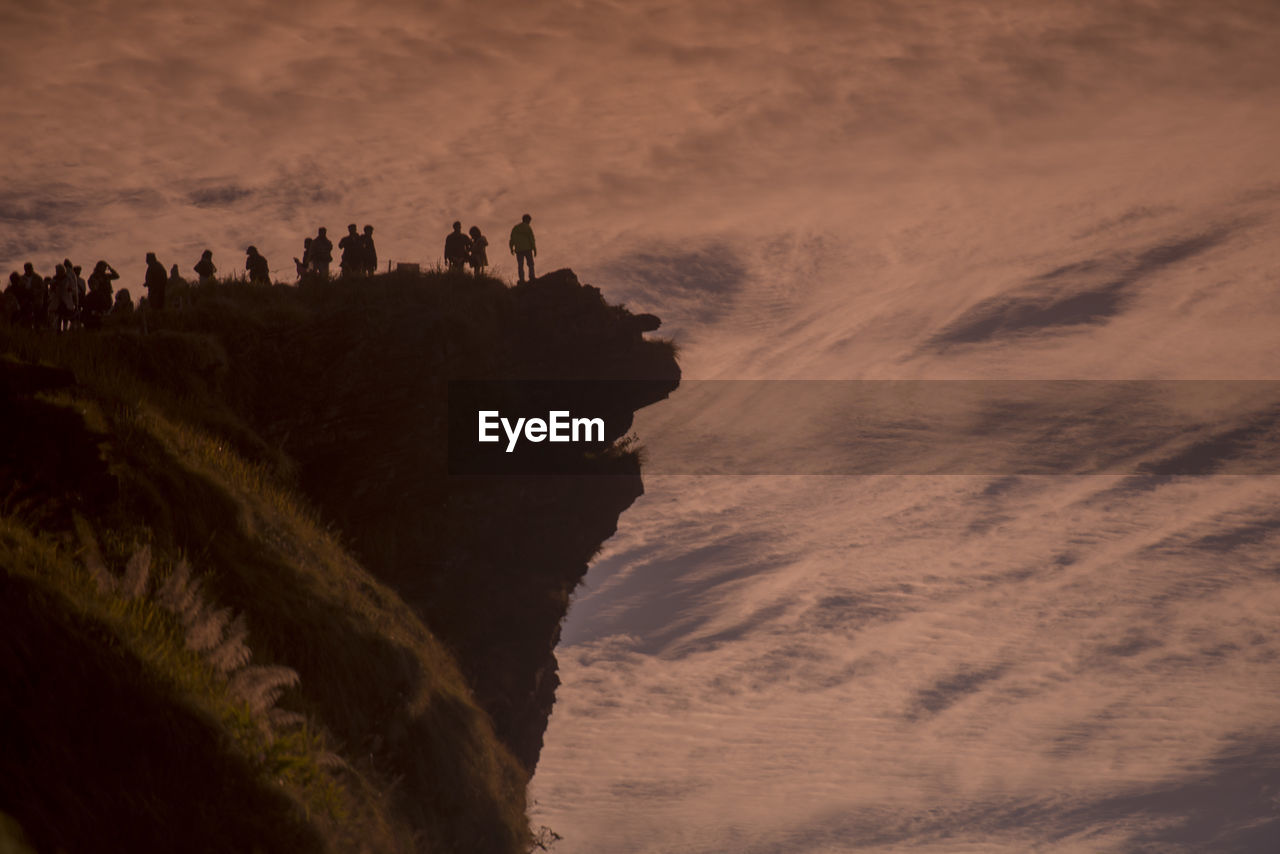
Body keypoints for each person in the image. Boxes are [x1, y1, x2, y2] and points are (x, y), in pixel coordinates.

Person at [509, 213, 536, 283]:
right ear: (527, 220)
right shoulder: (528, 227)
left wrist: (511, 248)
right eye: (529, 221)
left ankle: (521, 279)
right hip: (528, 249)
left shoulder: (515, 228)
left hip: (519, 250)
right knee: (530, 264)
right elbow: (531, 239)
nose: (530, 222)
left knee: (520, 265)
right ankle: (532, 277)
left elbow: (512, 239)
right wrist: (534, 249)